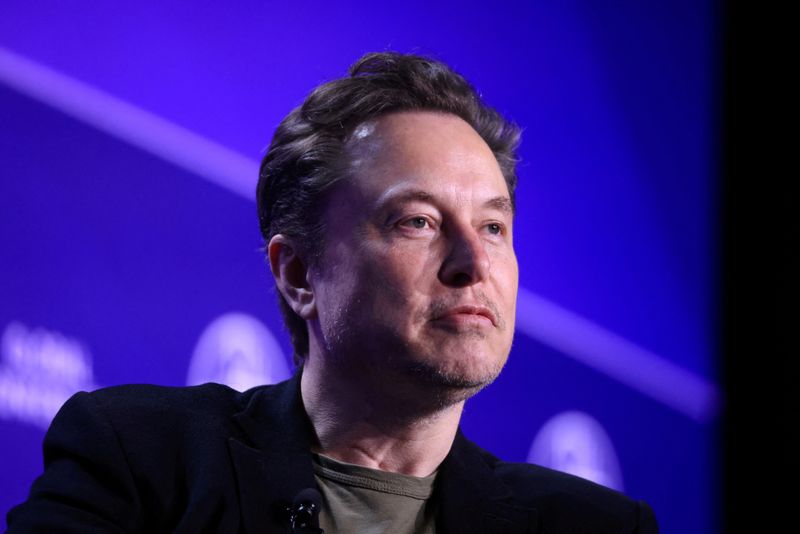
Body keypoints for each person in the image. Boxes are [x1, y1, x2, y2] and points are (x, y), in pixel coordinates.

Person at [6, 52, 659, 533]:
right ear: (297, 274)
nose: (473, 262)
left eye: (493, 226)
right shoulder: (141, 459)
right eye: (419, 222)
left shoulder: (593, 526)